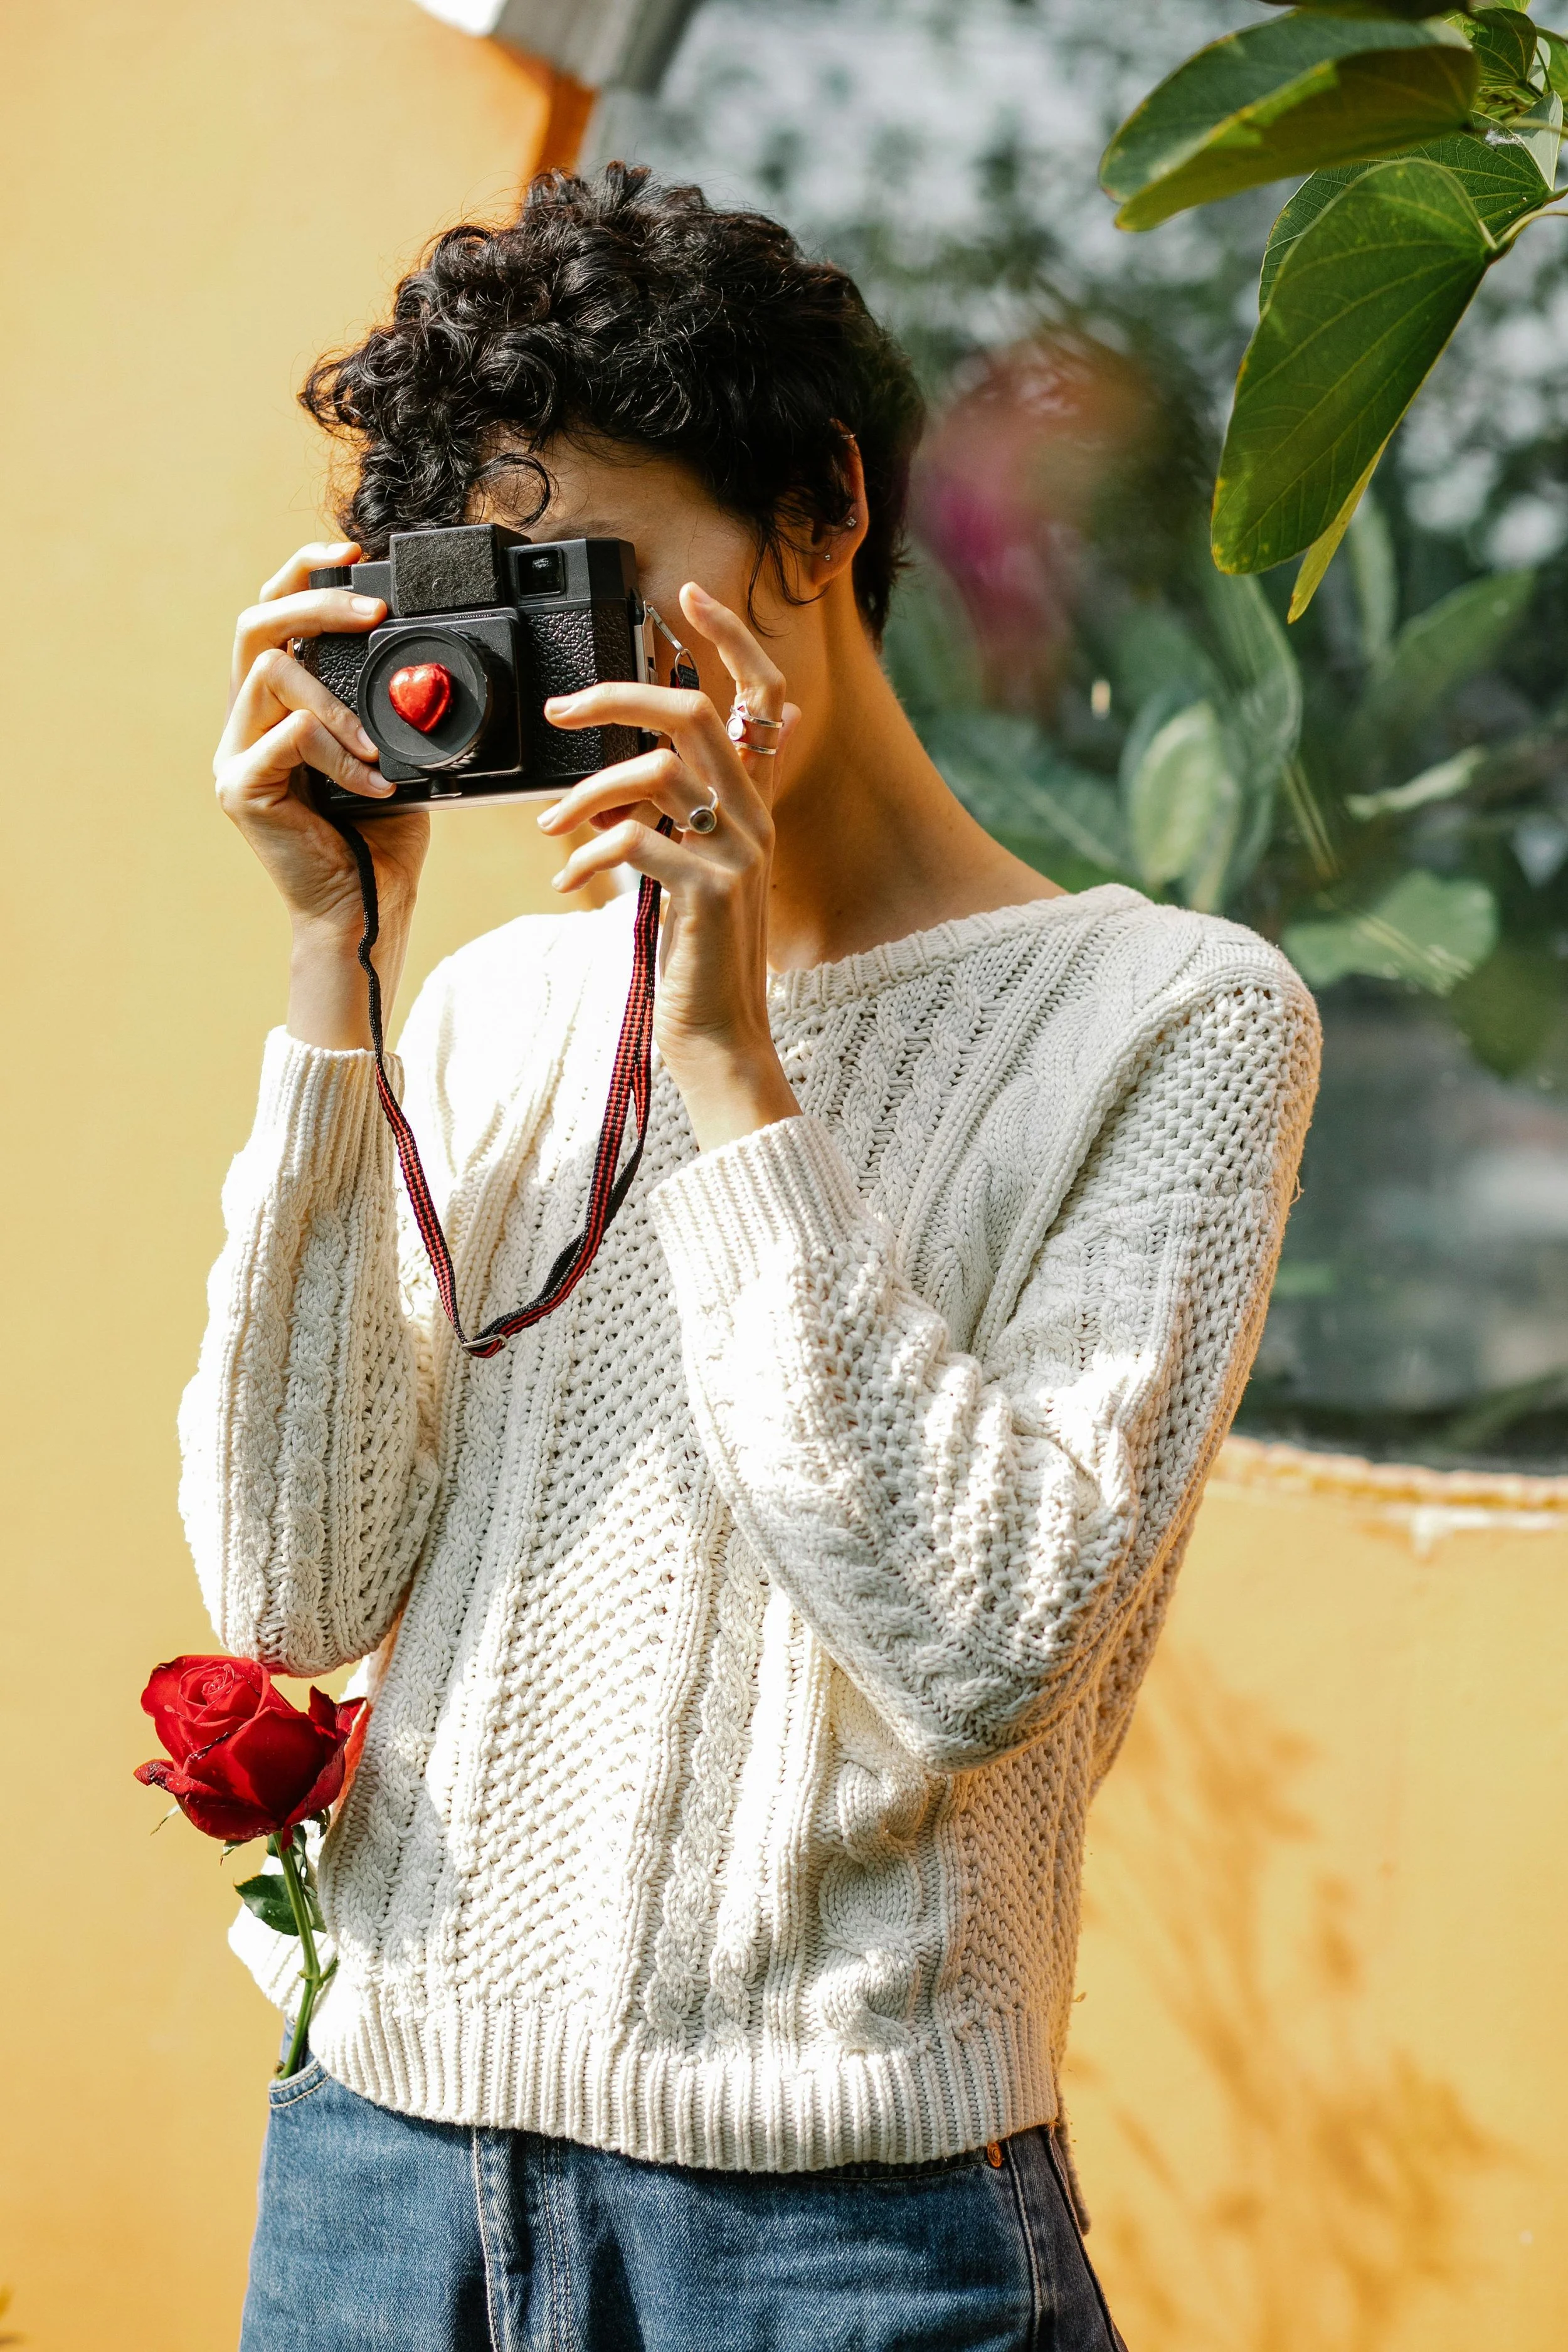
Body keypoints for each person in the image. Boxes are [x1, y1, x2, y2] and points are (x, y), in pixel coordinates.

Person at [189, 164, 1319, 2351]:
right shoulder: (502, 999)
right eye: (487, 596)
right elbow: (293, 1583)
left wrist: (723, 1058)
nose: (531, 658)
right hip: (372, 2173)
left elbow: (981, 1650)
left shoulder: (1171, 1018)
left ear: (818, 509)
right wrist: (341, 962)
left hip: (828, 2233)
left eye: (582, 576)